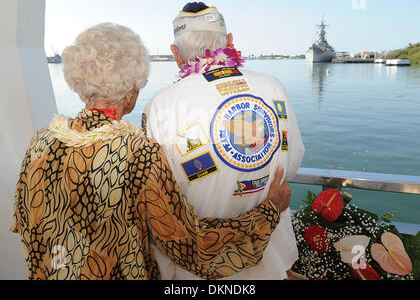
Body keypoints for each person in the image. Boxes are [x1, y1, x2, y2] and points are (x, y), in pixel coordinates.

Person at [10, 23, 292, 280]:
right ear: (131, 94)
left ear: (81, 84)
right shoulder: (139, 154)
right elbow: (190, 247)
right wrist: (269, 211)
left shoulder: (41, 141)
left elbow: (25, 224)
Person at [144, 2, 305, 280]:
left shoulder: (161, 106)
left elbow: (158, 200)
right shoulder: (273, 86)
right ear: (230, 42)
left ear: (176, 54)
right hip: (271, 263)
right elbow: (291, 164)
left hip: (197, 272)